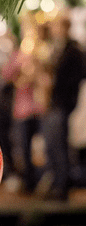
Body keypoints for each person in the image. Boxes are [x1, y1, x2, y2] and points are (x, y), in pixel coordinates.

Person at [1, 22, 53, 195]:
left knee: (44, 147)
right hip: (23, 109)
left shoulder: (43, 52)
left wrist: (36, 70)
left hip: (40, 107)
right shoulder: (19, 54)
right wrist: (19, 63)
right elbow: (7, 74)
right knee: (23, 148)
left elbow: (47, 79)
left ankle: (43, 180)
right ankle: (29, 181)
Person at [41, 15, 86, 201]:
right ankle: (56, 184)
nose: (54, 31)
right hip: (54, 102)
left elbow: (78, 75)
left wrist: (57, 85)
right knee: (51, 145)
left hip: (63, 103)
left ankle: (61, 186)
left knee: (59, 146)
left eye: (57, 27)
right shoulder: (56, 48)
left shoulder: (73, 50)